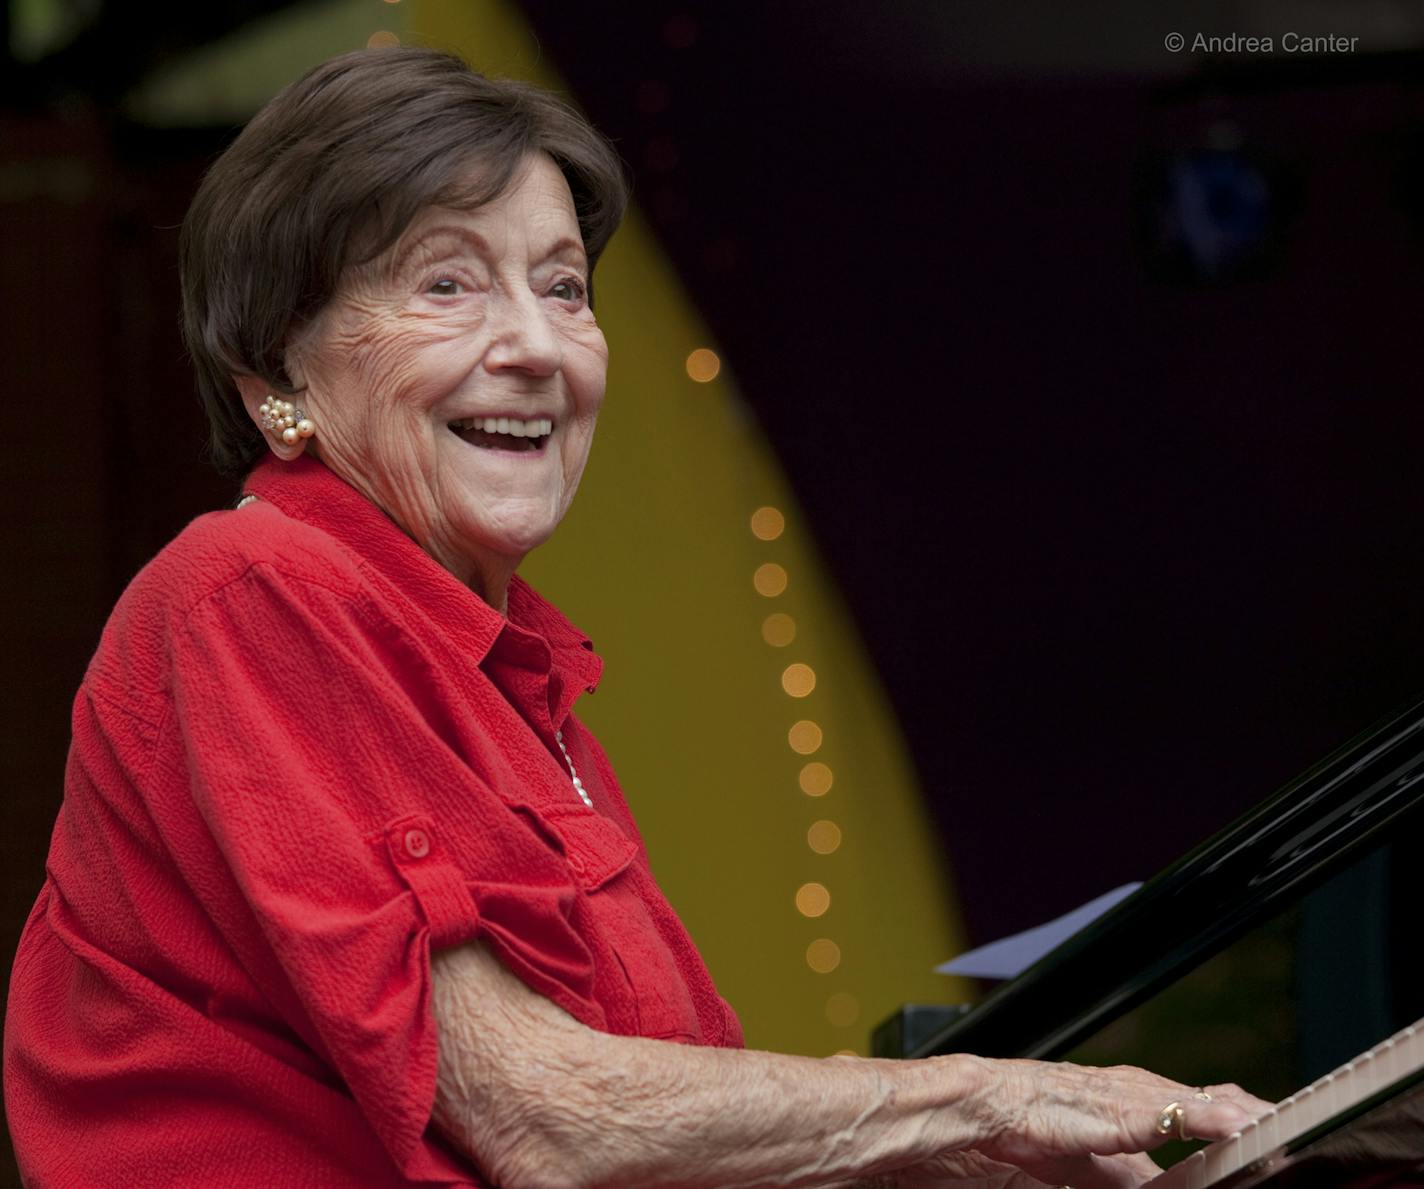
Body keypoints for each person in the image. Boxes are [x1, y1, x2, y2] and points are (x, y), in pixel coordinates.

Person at [3, 47, 1269, 1188]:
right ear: (279, 375)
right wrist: (979, 1095)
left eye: (562, 287)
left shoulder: (520, 683)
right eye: (447, 284)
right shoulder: (246, 591)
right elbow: (544, 1119)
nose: (537, 346)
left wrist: (991, 1160)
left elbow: (659, 1133)